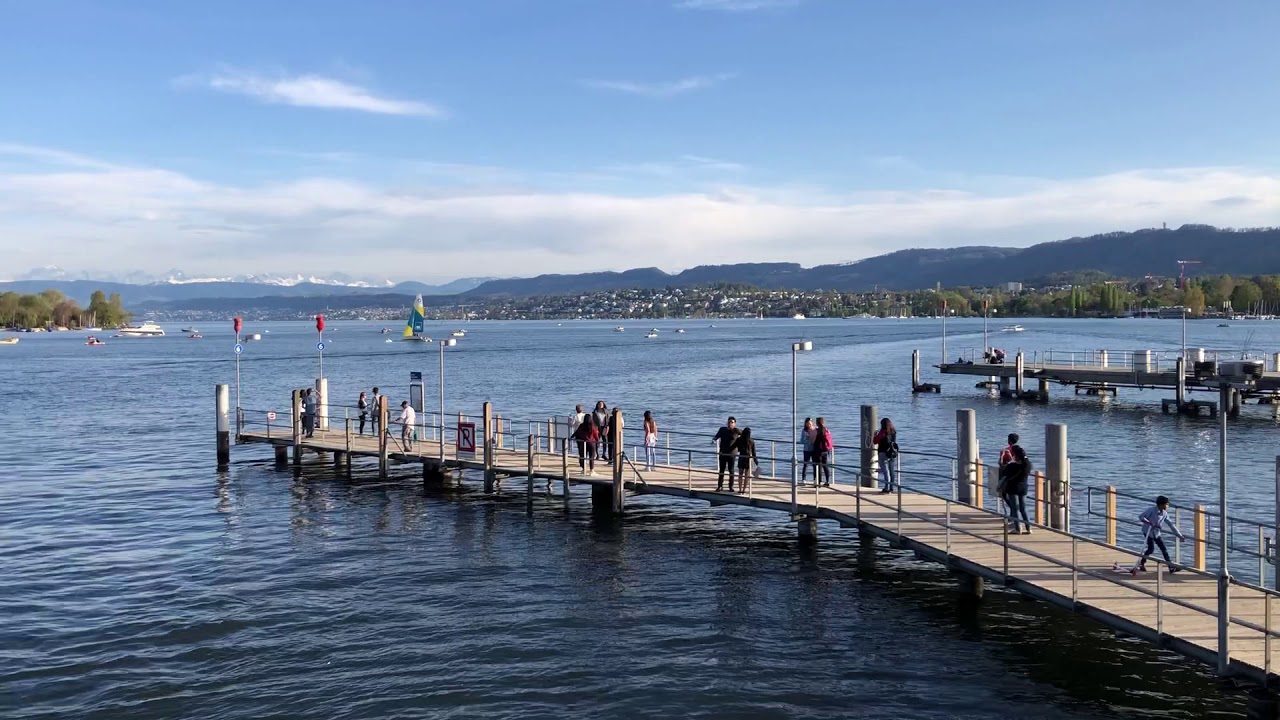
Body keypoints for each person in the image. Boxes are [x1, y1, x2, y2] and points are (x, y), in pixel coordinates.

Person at [1137, 496, 1185, 573]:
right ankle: (1142, 563)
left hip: (1157, 533)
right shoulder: (1151, 510)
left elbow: (1171, 525)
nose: (1168, 506)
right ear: (1161, 505)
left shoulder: (1164, 514)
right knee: (1151, 549)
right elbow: (1141, 517)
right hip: (1148, 532)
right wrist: (1149, 523)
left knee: (1164, 549)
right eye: (1166, 504)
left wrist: (1179, 535)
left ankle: (1171, 567)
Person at [1001, 445, 1033, 534]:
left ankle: (1018, 528)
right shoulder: (1027, 465)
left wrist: (1007, 460)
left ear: (1015, 455)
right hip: (1023, 488)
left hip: (1013, 487)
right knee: (1023, 508)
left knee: (1015, 509)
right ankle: (1028, 527)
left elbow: (1005, 472)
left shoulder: (1012, 465)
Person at [713, 417, 740, 492]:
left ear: (735, 423)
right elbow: (716, 436)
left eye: (732, 422)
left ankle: (730, 486)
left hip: (732, 453)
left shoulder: (736, 430)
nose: (730, 423)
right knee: (722, 470)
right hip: (723, 452)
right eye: (729, 422)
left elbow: (746, 435)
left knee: (731, 470)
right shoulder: (722, 429)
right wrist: (714, 440)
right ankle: (720, 486)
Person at [873, 418, 898, 493]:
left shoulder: (882, 433)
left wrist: (875, 435)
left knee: (885, 471)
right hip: (891, 453)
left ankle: (886, 488)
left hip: (882, 453)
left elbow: (875, 441)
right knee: (891, 471)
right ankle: (891, 487)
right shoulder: (893, 431)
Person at [733, 427, 757, 493]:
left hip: (741, 457)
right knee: (747, 475)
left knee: (740, 474)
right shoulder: (751, 441)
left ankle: (740, 489)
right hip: (748, 458)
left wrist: (725, 451)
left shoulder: (739, 439)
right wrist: (756, 461)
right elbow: (754, 453)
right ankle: (744, 490)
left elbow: (733, 446)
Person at [813, 417, 833, 486]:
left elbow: (815, 441)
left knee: (818, 466)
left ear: (818, 422)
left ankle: (819, 482)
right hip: (826, 450)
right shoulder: (826, 429)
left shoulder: (817, 430)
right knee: (825, 465)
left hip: (819, 450)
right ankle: (827, 481)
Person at [799, 418, 815, 486]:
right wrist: (807, 439)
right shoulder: (804, 431)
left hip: (814, 450)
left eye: (810, 424)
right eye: (808, 424)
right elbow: (801, 441)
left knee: (815, 465)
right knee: (805, 465)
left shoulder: (815, 429)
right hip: (806, 450)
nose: (809, 425)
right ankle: (803, 479)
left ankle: (815, 479)